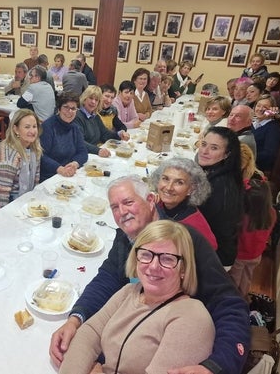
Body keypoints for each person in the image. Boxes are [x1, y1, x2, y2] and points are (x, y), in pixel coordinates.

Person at [49, 175, 250, 374]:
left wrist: (216, 366)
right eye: (115, 207)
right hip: (124, 340)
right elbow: (108, 278)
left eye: (128, 202)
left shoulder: (185, 241)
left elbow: (229, 306)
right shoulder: (128, 240)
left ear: (151, 200)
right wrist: (76, 318)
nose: (122, 213)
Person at [59, 220, 215, 374]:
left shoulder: (191, 318)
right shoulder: (131, 291)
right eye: (146, 255)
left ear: (184, 269)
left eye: (167, 259)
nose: (153, 266)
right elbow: (89, 333)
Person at [197, 127, 244, 268]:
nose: (204, 151)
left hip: (215, 257)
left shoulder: (218, 186)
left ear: (226, 154)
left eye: (214, 148)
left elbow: (199, 225)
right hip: (216, 250)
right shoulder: (221, 172)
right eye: (204, 144)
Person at [150, 158, 217, 250]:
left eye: (179, 182)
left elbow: (209, 251)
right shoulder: (157, 204)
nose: (169, 187)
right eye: (165, 179)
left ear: (191, 189)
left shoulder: (195, 225)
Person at [229, 177, 276, 297]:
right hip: (256, 255)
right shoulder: (272, 213)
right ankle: (243, 296)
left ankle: (233, 300)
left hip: (240, 256)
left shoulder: (242, 218)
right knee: (247, 277)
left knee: (233, 280)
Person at [0, 109, 42, 207]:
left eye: (34, 126)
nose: (32, 131)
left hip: (24, 200)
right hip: (3, 203)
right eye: (27, 127)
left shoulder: (34, 148)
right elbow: (1, 197)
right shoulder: (8, 154)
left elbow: (36, 181)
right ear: (16, 129)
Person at [39, 92, 88, 181]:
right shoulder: (48, 126)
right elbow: (42, 156)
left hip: (69, 174)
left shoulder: (75, 128)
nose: (69, 111)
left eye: (73, 108)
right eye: (66, 107)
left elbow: (83, 152)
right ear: (59, 109)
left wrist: (75, 163)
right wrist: (60, 168)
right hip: (50, 176)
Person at [74, 85, 129, 157]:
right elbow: (79, 142)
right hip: (82, 155)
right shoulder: (77, 116)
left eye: (96, 100)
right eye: (91, 98)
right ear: (84, 99)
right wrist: (98, 150)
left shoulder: (95, 116)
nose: (93, 102)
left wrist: (119, 134)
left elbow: (105, 134)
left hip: (93, 154)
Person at [252, 94, 280, 173]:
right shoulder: (252, 122)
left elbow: (269, 154)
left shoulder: (273, 128)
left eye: (265, 107)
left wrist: (247, 157)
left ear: (271, 110)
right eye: (258, 106)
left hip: (255, 167)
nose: (260, 109)